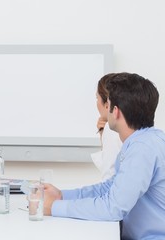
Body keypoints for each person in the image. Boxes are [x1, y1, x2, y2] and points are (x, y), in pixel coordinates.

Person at [43, 72, 165, 239]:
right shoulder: (143, 141)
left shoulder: (142, 149)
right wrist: (62, 195)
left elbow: (113, 207)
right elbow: (111, 188)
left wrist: (54, 207)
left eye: (107, 103)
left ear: (115, 111)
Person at [91, 73, 122, 180]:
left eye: (97, 98)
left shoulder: (111, 128)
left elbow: (109, 175)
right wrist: (102, 135)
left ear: (107, 104)